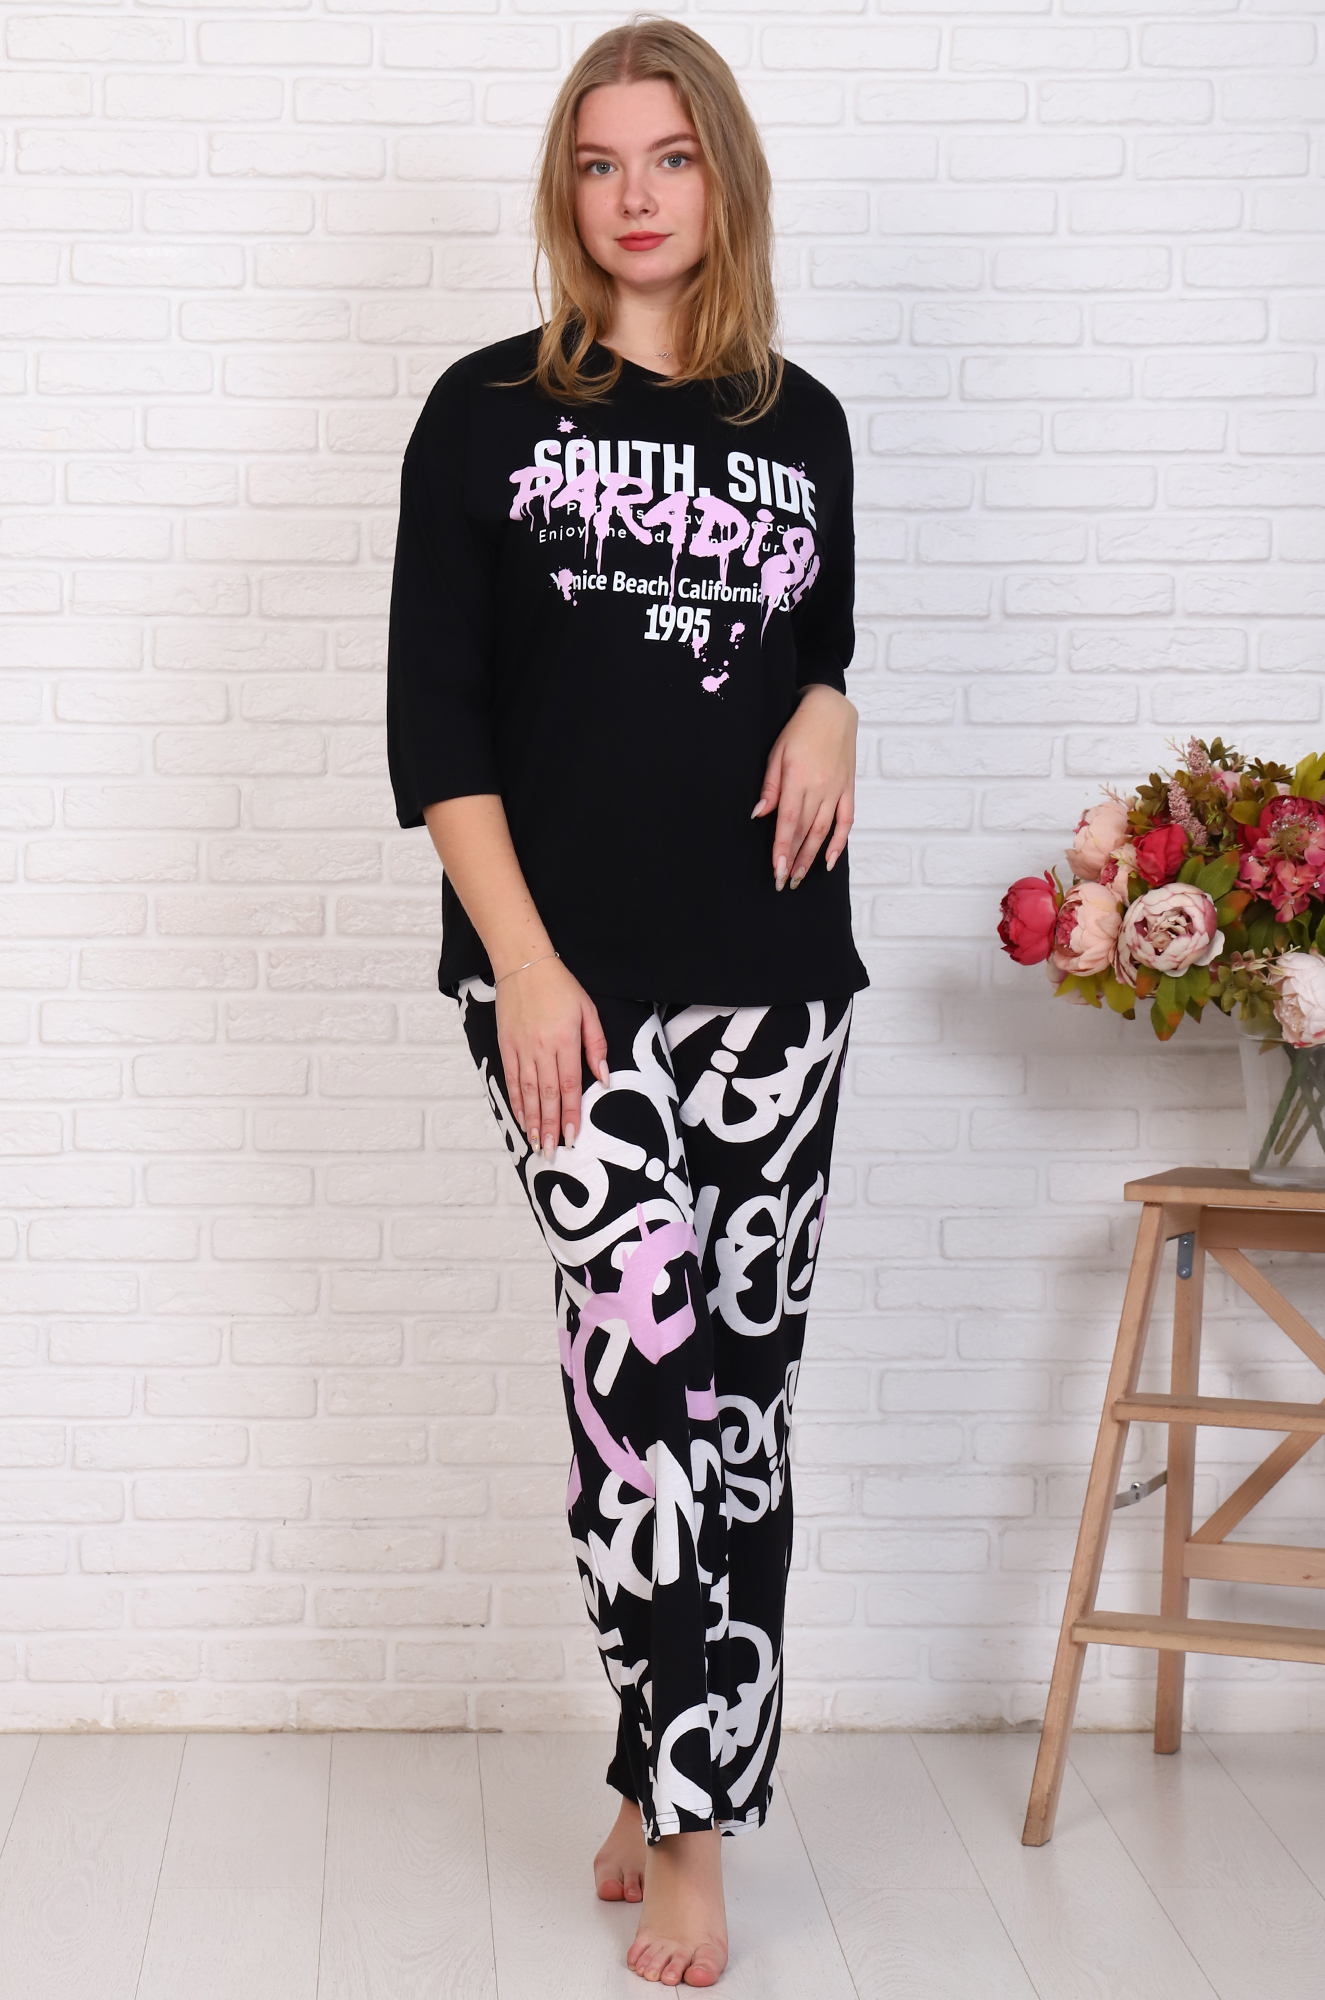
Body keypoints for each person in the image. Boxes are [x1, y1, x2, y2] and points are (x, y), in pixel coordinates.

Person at [386, 18, 867, 1987]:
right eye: (600, 162)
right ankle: (690, 1837)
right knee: (642, 1395)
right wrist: (521, 963)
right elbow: (436, 725)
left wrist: (834, 698)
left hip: (776, 984)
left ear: (720, 177)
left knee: (733, 1410)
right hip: (564, 992)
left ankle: (653, 1762)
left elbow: (816, 646)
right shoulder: (484, 412)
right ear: (565, 191)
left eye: (669, 156)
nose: (636, 193)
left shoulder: (801, 420)